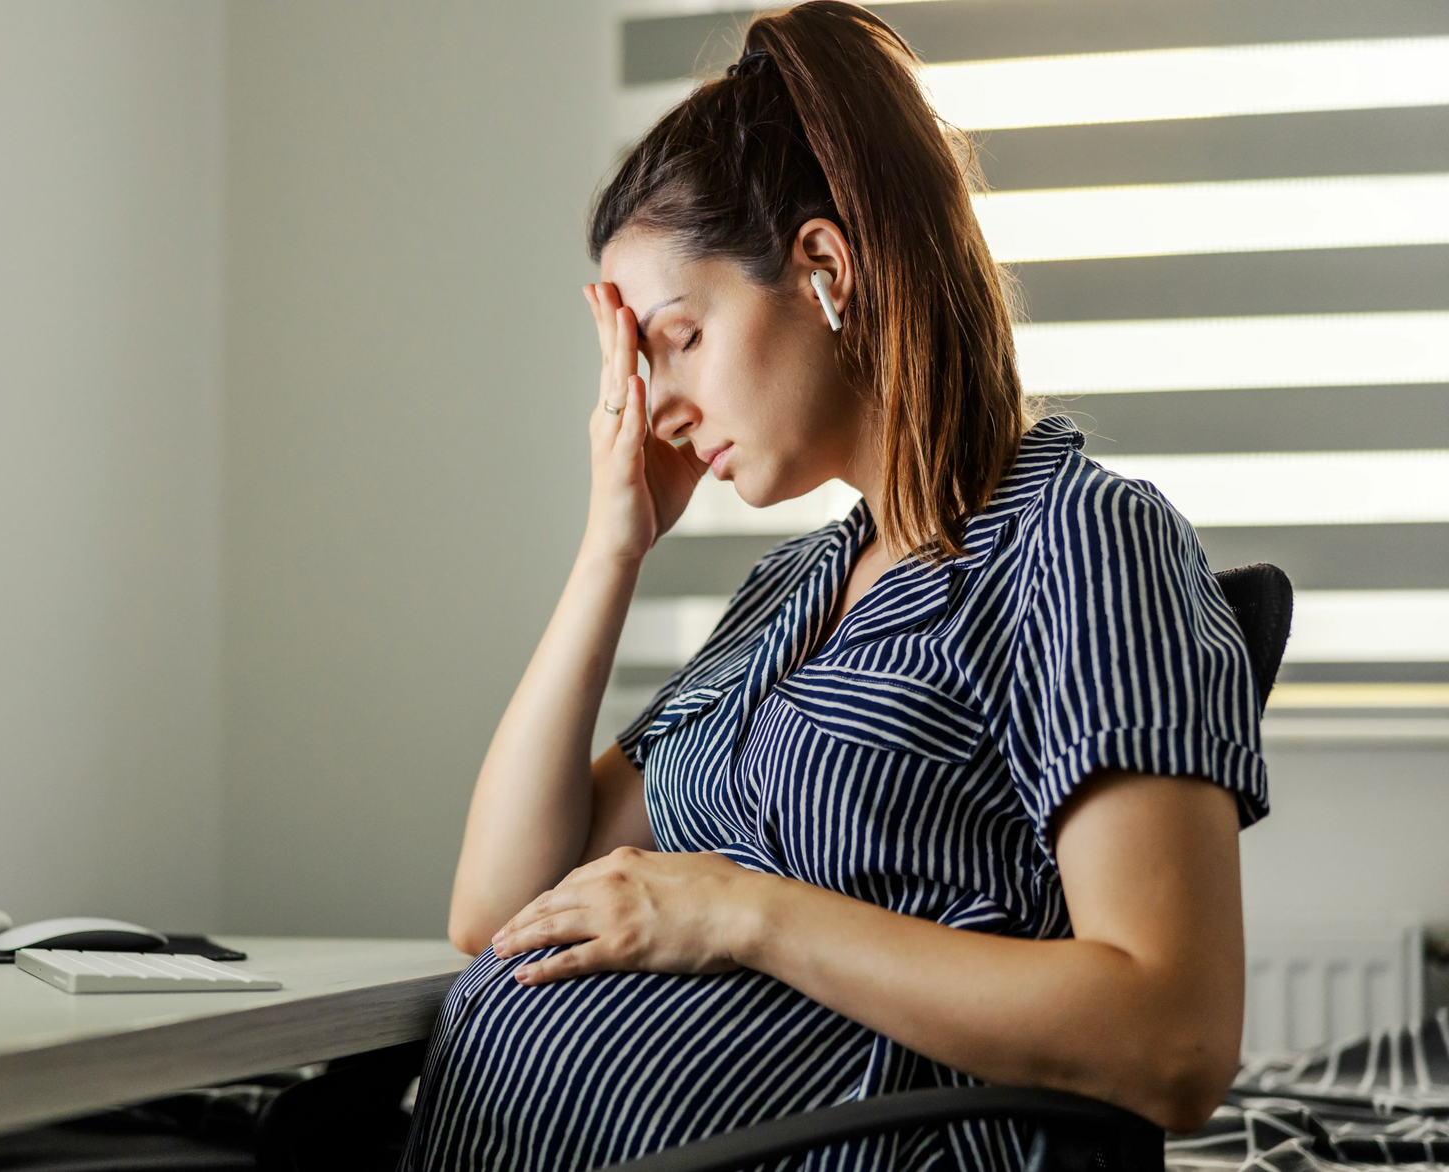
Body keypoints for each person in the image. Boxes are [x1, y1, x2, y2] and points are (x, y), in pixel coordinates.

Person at [398, 3, 1269, 1169]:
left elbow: (1173, 1037)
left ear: (821, 268)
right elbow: (496, 906)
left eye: (679, 336)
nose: (651, 406)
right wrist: (614, 546)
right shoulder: (791, 590)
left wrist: (741, 911)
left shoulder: (1083, 542)